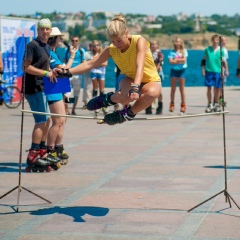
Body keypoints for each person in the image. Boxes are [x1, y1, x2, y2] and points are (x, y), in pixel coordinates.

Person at [54, 14, 161, 126]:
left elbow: (140, 66)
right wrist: (68, 72)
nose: (116, 44)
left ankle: (126, 114)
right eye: (113, 41)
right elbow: (90, 64)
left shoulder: (139, 41)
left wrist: (135, 88)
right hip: (128, 77)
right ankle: (107, 99)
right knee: (125, 99)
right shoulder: (112, 49)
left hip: (150, 79)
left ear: (126, 33)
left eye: (119, 40)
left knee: (153, 93)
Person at [23, 19, 59, 171]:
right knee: (41, 120)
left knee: (47, 119)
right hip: (34, 88)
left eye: (47, 29)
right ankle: (33, 154)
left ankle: (42, 151)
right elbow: (26, 67)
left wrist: (55, 70)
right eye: (42, 29)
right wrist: (46, 73)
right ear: (38, 30)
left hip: (43, 87)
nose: (45, 31)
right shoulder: (33, 45)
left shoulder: (46, 47)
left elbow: (48, 64)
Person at [46, 27, 77, 164]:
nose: (61, 39)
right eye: (59, 37)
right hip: (53, 90)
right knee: (57, 122)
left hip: (59, 89)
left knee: (62, 121)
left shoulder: (53, 53)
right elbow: (64, 70)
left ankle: (58, 147)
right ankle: (50, 149)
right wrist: (71, 56)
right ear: (54, 38)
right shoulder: (50, 54)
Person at [201, 34, 225, 113]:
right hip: (209, 71)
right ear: (212, 40)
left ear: (219, 41)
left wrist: (223, 71)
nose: (216, 40)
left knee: (217, 89)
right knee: (209, 88)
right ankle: (209, 103)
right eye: (214, 39)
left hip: (217, 71)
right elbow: (204, 60)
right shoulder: (207, 49)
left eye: (217, 39)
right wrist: (203, 69)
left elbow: (223, 62)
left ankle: (216, 104)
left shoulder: (221, 50)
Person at [64, 35, 85, 115]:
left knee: (77, 93)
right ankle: (67, 109)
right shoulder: (66, 50)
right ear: (71, 41)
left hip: (78, 74)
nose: (74, 42)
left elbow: (83, 62)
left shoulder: (81, 50)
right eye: (73, 40)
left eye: (76, 40)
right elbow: (64, 61)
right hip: (69, 74)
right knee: (67, 92)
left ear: (78, 41)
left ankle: (73, 109)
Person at [168, 37, 188, 114]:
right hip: (173, 71)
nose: (177, 43)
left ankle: (183, 104)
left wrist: (175, 60)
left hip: (182, 71)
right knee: (173, 88)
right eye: (176, 41)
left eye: (179, 42)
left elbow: (184, 60)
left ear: (181, 43)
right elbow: (170, 61)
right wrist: (178, 61)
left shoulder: (184, 51)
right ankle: (172, 104)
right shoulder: (171, 52)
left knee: (181, 88)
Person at [145, 40, 164, 114]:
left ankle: (160, 105)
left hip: (157, 73)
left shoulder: (160, 54)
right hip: (149, 74)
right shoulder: (148, 53)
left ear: (157, 45)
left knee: (158, 91)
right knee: (148, 90)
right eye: (151, 44)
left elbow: (160, 63)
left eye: (154, 44)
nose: (153, 45)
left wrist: (155, 70)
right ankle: (148, 106)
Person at [90, 40, 108, 116]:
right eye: (94, 46)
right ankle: (96, 106)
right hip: (94, 72)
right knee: (95, 89)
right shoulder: (91, 55)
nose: (96, 47)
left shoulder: (102, 54)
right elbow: (91, 64)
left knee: (102, 90)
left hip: (101, 73)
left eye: (97, 45)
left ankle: (103, 106)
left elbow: (105, 63)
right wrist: (98, 64)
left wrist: (96, 64)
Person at [81, 42, 93, 109]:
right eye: (91, 46)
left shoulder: (95, 54)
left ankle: (87, 102)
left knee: (89, 89)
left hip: (93, 74)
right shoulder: (86, 54)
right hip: (87, 74)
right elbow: (83, 62)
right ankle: (87, 103)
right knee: (87, 89)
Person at [219, 36, 229, 106]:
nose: (224, 42)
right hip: (219, 69)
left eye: (225, 40)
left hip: (223, 69)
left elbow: (225, 61)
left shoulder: (225, 50)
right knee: (219, 85)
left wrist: (226, 70)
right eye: (223, 40)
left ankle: (220, 98)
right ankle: (219, 99)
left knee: (222, 85)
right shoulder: (219, 49)